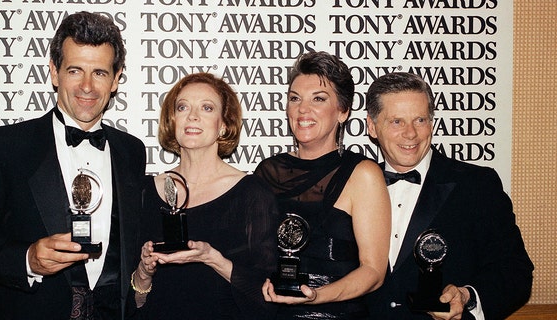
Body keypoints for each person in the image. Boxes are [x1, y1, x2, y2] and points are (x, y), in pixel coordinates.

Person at [0, 11, 146, 320]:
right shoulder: (4, 147)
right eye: (75, 70)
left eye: (100, 73)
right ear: (54, 72)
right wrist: (27, 260)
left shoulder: (131, 151)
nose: (87, 87)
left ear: (116, 79)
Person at [364, 72, 534, 320]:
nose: (410, 133)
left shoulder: (477, 185)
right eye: (396, 122)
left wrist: (467, 296)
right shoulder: (352, 186)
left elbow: (514, 271)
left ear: (432, 123)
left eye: (420, 120)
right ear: (372, 126)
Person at [254, 51, 391, 319]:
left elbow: (374, 272)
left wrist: (316, 297)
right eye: (295, 99)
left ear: (343, 111)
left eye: (318, 99)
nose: (303, 109)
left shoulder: (362, 174)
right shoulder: (267, 172)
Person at [132, 72, 279, 319]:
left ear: (224, 125)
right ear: (172, 120)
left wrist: (213, 259)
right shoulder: (146, 191)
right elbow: (134, 303)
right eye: (182, 107)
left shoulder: (252, 194)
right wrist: (143, 273)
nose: (192, 116)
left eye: (207, 108)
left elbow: (267, 295)